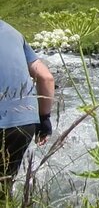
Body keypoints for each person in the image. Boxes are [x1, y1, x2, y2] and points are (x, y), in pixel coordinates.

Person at [0, 20, 54, 198]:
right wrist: (44, 119)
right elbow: (46, 78)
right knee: (4, 184)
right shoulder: (13, 32)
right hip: (24, 123)